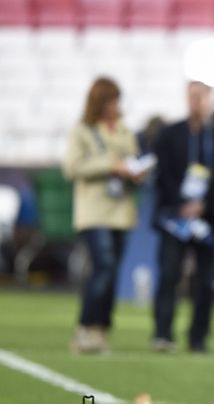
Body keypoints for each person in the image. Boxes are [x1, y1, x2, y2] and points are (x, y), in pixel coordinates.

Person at [63, 77, 145, 353]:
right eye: (111, 100)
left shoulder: (123, 130)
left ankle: (100, 330)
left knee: (111, 272)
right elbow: (72, 168)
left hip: (121, 212)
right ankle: (85, 326)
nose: (115, 106)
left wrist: (136, 172)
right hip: (94, 212)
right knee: (104, 267)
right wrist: (111, 166)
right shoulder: (82, 130)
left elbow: (132, 159)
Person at [152, 81, 214, 353]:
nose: (196, 102)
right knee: (169, 275)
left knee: (205, 280)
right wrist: (182, 204)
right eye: (192, 97)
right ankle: (162, 333)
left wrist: (204, 205)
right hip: (174, 217)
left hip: (207, 219)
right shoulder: (170, 133)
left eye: (201, 97)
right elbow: (162, 174)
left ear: (209, 99)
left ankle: (198, 337)